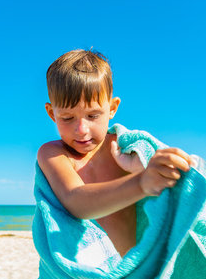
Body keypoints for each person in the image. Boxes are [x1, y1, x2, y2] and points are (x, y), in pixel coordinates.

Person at [37, 49, 194, 258]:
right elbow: (76, 201)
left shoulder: (127, 149)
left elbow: (169, 198)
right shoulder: (54, 154)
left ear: (112, 108)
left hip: (134, 274)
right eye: (67, 118)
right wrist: (141, 183)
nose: (81, 129)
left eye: (93, 115)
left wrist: (148, 169)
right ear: (51, 113)